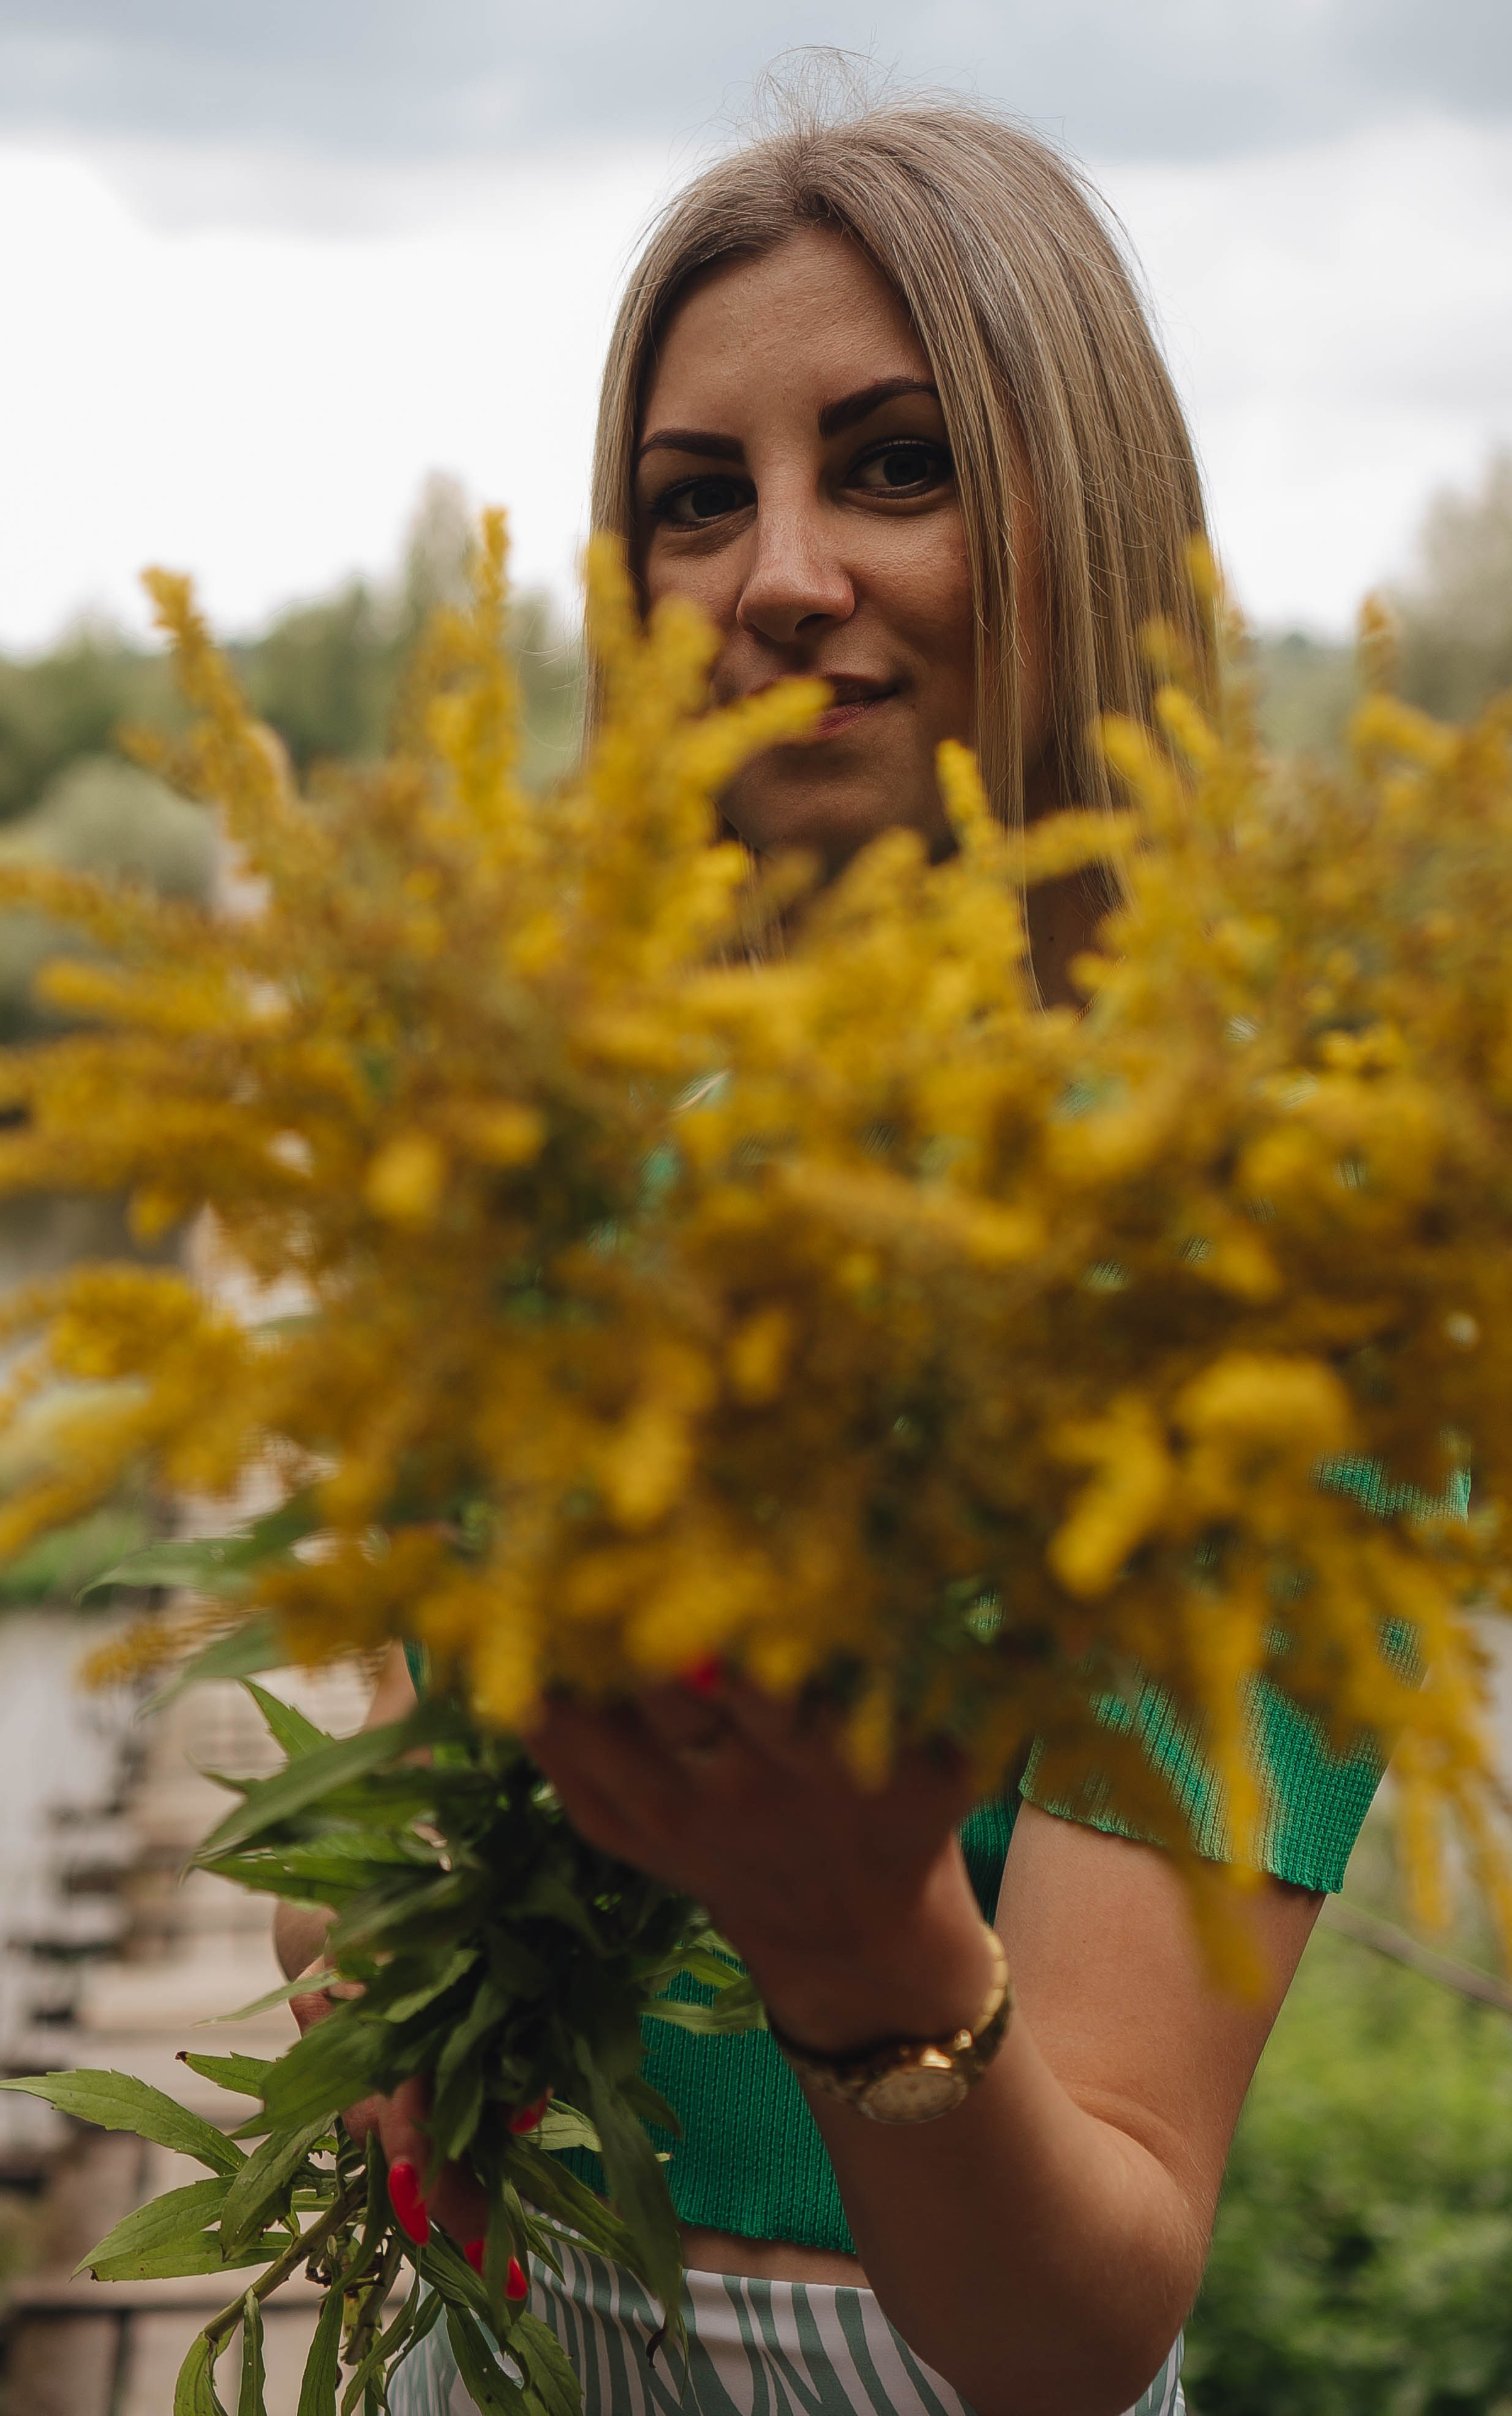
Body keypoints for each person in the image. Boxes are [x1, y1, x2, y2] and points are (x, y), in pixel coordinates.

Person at [278, 91, 1381, 2416]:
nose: (780, 576)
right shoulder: (558, 1174)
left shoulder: (1260, 1281)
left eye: (893, 465)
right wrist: (391, 1971)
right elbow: (363, 1840)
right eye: (699, 500)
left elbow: (1084, 2325)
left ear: (1077, 523)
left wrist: (861, 1938)